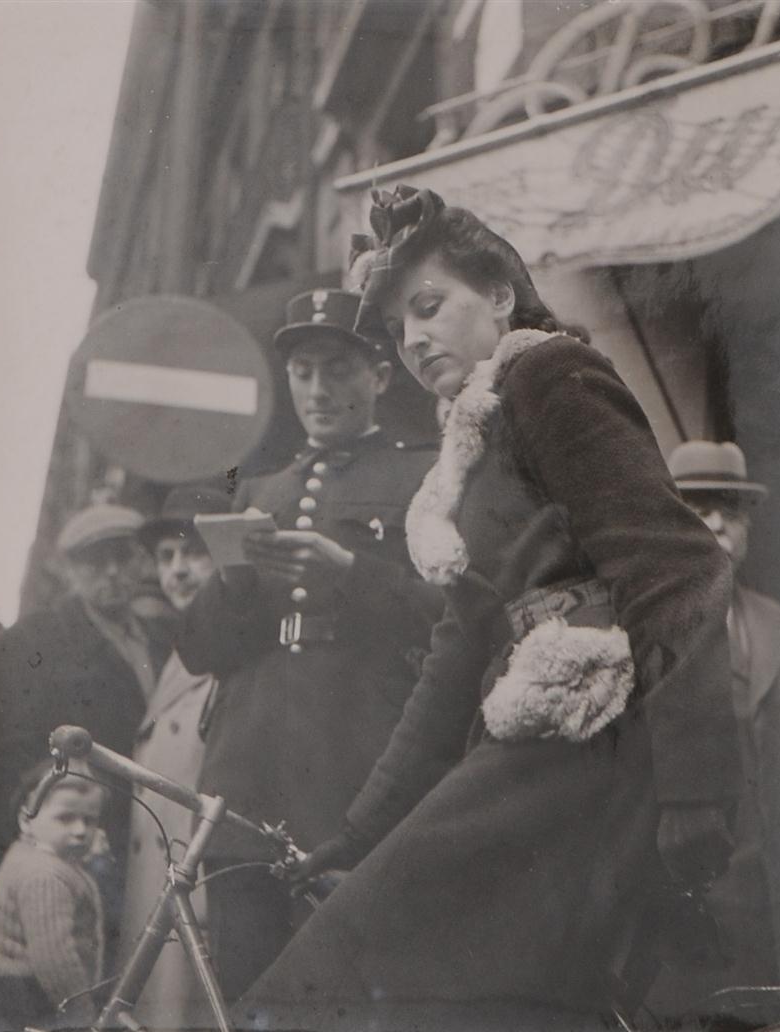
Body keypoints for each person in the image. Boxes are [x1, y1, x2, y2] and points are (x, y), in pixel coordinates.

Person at [240, 187, 739, 1032]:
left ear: (501, 294)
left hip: (592, 743)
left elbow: (679, 567)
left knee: (341, 974)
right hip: (532, 744)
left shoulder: (551, 376)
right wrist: (364, 834)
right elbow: (454, 652)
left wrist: (696, 787)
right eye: (399, 329)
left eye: (429, 307)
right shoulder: (475, 439)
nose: (413, 340)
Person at [176, 288, 441, 999]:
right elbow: (200, 650)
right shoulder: (258, 489)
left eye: (336, 369)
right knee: (248, 987)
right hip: (249, 772)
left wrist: (352, 573)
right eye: (302, 372)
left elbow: (454, 616)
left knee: (355, 989)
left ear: (380, 375)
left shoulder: (425, 476)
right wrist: (235, 577)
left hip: (356, 766)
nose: (317, 390)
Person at [644, 441, 780, 1022]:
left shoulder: (775, 620)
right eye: (699, 507)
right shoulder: (645, 623)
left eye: (732, 508)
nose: (719, 523)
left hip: (770, 889)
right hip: (689, 891)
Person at [0, 503, 169, 961]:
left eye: (123, 558)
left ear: (142, 562)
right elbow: (9, 754)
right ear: (69, 568)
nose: (112, 573)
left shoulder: (159, 636)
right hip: (80, 845)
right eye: (95, 561)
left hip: (148, 834)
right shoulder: (35, 641)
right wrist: (38, 842)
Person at [118, 484, 230, 1030]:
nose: (178, 571)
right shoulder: (180, 649)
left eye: (194, 553)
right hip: (162, 891)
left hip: (193, 892)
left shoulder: (230, 650)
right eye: (166, 557)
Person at [0, 762, 107, 1030]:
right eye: (65, 818)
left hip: (22, 989)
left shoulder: (33, 855)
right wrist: (80, 1011)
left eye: (90, 820)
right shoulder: (44, 877)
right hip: (29, 994)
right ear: (26, 820)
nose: (80, 830)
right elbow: (54, 958)